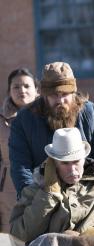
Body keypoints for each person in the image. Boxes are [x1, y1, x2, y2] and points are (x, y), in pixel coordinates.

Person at [9, 61, 94, 196]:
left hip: (88, 193)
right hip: (43, 194)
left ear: (73, 92)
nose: (60, 101)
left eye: (65, 94)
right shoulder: (24, 121)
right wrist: (31, 200)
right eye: (54, 95)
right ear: (44, 95)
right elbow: (20, 166)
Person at [0, 68, 38, 233]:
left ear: (37, 90)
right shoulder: (1, 121)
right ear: (9, 91)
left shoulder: (48, 117)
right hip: (8, 189)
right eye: (16, 87)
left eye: (26, 86)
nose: (22, 90)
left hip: (41, 184)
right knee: (15, 237)